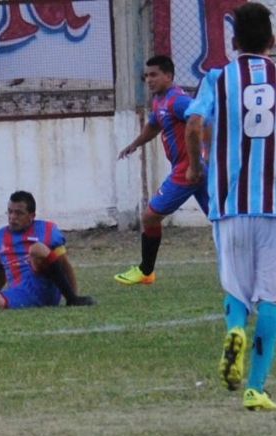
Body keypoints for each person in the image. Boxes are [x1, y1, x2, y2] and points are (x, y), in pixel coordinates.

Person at [185, 2, 276, 411]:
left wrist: (196, 166)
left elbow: (194, 124)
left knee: (236, 287)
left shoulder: (217, 78)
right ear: (273, 41)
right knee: (271, 297)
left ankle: (234, 330)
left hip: (229, 205)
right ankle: (256, 388)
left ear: (233, 43)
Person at [114, 55, 209, 286]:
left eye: (154, 74)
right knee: (224, 218)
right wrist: (135, 143)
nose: (149, 79)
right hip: (194, 168)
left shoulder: (178, 100)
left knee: (150, 216)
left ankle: (146, 271)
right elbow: (155, 125)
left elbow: (202, 120)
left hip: (188, 170)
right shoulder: (160, 101)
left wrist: (200, 159)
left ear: (169, 76)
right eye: (146, 75)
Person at [0, 191, 95, 315]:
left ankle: (72, 299)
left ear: (32, 216)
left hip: (45, 289)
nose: (12, 217)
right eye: (10, 212)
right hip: (21, 293)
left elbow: (64, 264)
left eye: (19, 213)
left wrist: (73, 297)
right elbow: (2, 275)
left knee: (37, 249)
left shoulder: (48, 230)